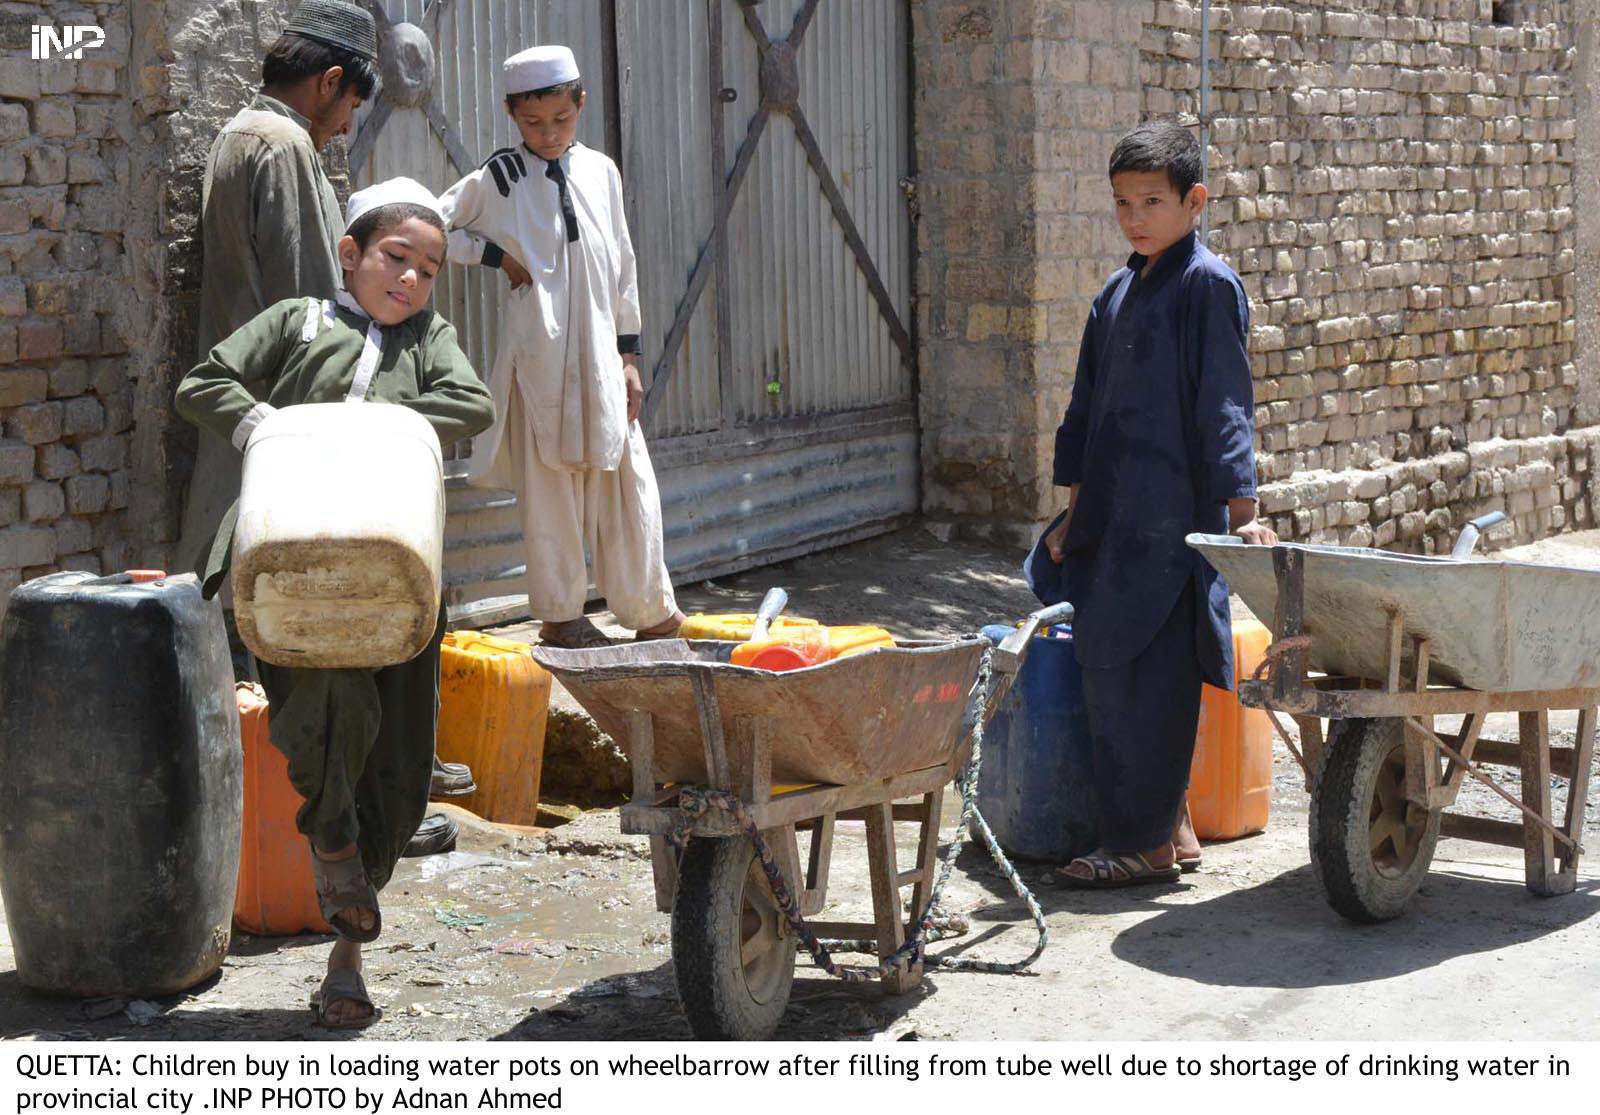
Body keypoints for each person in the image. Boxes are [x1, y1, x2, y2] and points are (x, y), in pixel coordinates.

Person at [175, 179, 495, 1027]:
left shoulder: (430, 339)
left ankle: (347, 940)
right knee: (322, 709)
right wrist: (275, 430)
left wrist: (376, 428)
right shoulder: (298, 322)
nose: (413, 281)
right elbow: (205, 383)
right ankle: (333, 853)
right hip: (292, 560)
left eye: (429, 269)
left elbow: (472, 402)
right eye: (397, 258)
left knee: (398, 760)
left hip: (395, 570)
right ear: (350, 253)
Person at [1039, 120, 1276, 888]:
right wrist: (1073, 516)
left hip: (1174, 521)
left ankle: (1138, 844)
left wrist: (1241, 514)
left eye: (1151, 200)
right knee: (1107, 670)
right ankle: (1168, 828)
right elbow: (1083, 411)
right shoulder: (1115, 291)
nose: (1135, 217)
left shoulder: (1207, 286)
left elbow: (1226, 406)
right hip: (1113, 517)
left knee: (1153, 679)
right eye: (1121, 203)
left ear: (1195, 201)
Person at [438, 44, 685, 649]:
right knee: (551, 493)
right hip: (540, 361)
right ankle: (562, 617)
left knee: (628, 485)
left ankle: (651, 611)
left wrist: (629, 357)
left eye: (561, 120)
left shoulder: (601, 171)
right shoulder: (499, 177)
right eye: (532, 123)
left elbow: (623, 265)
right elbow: (427, 224)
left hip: (603, 360)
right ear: (510, 114)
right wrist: (493, 254)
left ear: (581, 103)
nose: (548, 134)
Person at [177, 0, 380, 609]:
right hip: (275, 404)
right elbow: (306, 305)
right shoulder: (285, 144)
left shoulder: (241, 133)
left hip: (240, 391)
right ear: (332, 83)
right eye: (350, 110)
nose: (347, 128)